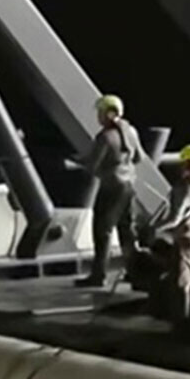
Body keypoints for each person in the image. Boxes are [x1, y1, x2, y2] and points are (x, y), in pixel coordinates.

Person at [73, 93, 146, 288]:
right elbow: (139, 158)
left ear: (110, 113)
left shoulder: (104, 137)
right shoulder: (131, 131)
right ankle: (135, 273)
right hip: (129, 186)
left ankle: (99, 276)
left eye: (101, 112)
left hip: (111, 188)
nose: (98, 116)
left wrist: (77, 162)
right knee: (126, 231)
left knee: (102, 231)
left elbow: (92, 165)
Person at [152, 144, 190, 333]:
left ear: (184, 164)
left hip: (186, 241)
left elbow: (174, 219)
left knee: (182, 283)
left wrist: (154, 228)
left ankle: (181, 325)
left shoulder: (183, 189)